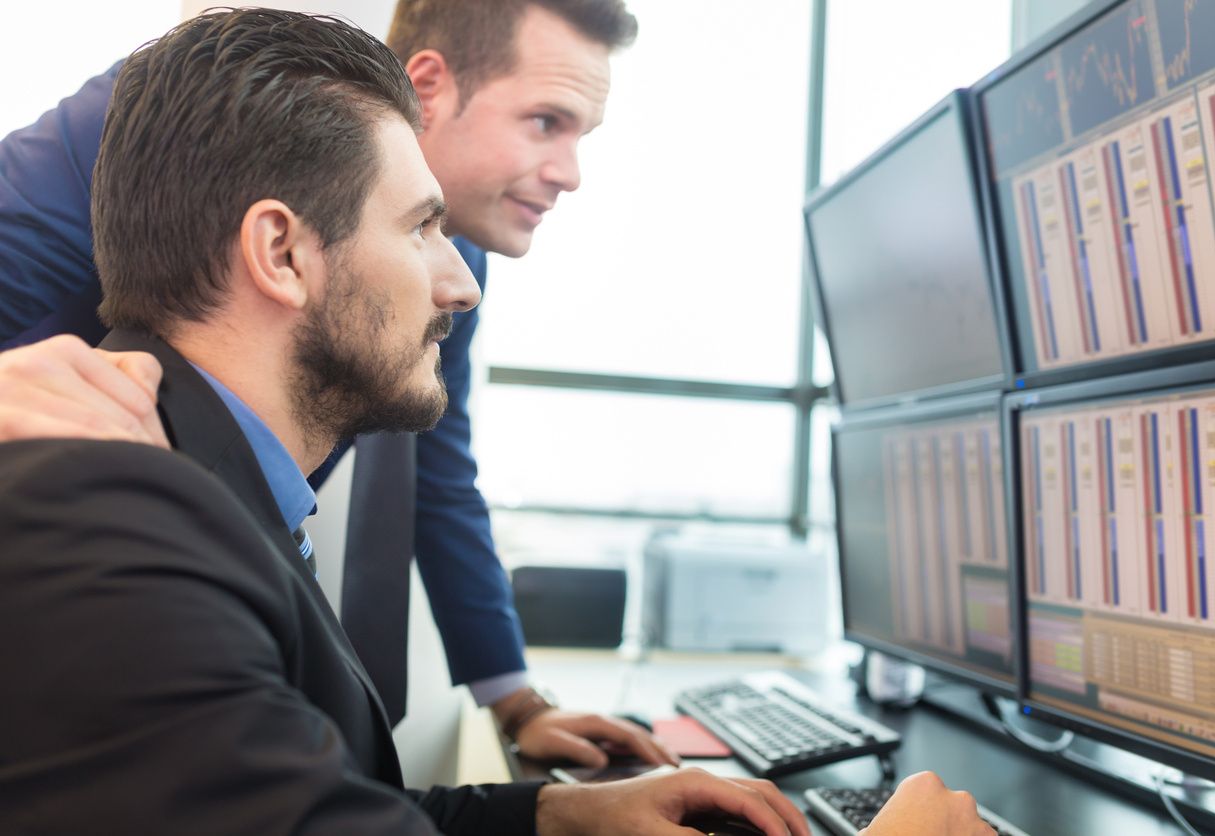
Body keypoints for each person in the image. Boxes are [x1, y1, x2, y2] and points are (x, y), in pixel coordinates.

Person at [0, 10, 817, 834]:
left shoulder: (427, 259)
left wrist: (531, 737)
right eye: (546, 121)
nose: (570, 172)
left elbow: (439, 473)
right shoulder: (176, 120)